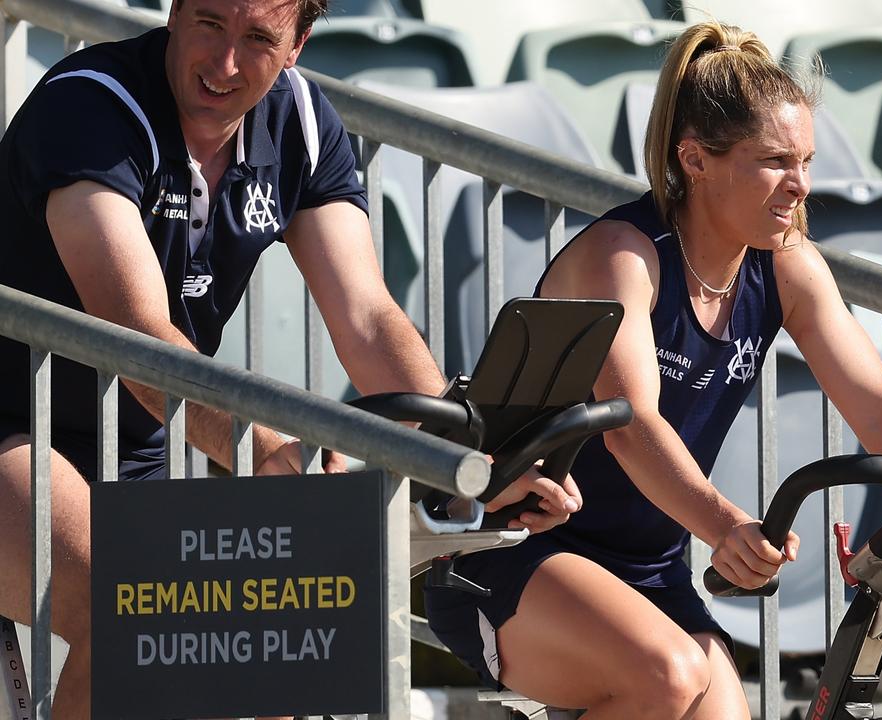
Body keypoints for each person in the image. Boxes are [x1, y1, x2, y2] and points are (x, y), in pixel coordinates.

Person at [424, 22, 882, 719]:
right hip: (516, 550)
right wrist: (727, 526)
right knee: (667, 676)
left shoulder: (786, 263)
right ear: (695, 160)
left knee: (719, 707)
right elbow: (631, 428)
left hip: (648, 569)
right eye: (776, 161)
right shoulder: (623, 257)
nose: (801, 186)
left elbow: (879, 406)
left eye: (807, 160)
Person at [0, 2, 579, 718]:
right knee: (140, 601)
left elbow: (367, 319)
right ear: (176, 10)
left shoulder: (301, 120)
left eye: (258, 39)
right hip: (13, 426)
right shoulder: (89, 104)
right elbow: (136, 336)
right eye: (210, 23)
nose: (225, 64)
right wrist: (267, 446)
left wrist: (471, 459)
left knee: (272, 634)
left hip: (133, 444)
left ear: (298, 45)